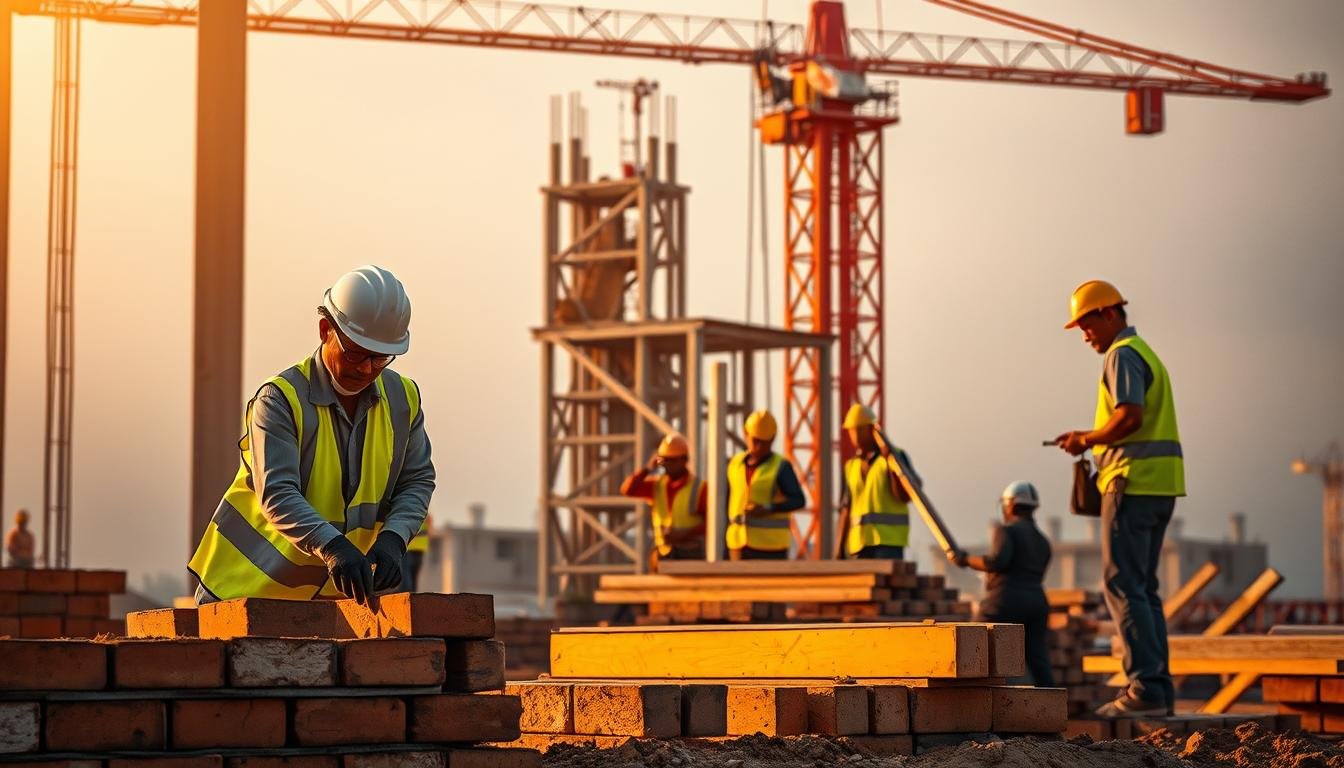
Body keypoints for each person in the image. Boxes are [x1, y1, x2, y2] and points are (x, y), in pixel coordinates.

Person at [189, 266, 436, 607]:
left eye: (380, 358)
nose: (367, 369)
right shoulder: (279, 400)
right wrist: (332, 546)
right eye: (355, 353)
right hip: (242, 592)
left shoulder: (403, 399)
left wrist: (394, 537)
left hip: (327, 605)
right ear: (325, 330)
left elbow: (417, 480)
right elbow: (278, 493)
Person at [1053, 279, 1184, 717]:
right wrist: (1088, 437)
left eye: (1086, 325)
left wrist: (1087, 439)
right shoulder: (1145, 353)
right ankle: (1157, 690)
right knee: (1143, 588)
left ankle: (1145, 690)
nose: (1084, 335)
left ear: (1109, 314)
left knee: (1123, 584)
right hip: (1158, 485)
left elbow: (1129, 417)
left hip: (1131, 483)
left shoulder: (1122, 354)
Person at [947, 482, 1054, 687]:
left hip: (1005, 600)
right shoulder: (1043, 540)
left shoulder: (1007, 531)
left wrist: (965, 559)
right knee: (1039, 661)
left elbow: (996, 562)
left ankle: (965, 697)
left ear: (1010, 505)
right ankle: (1054, 703)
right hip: (1037, 602)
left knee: (971, 643)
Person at [837, 404, 915, 560]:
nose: (855, 436)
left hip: (889, 543)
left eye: (860, 430)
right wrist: (839, 549)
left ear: (872, 429)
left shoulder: (895, 457)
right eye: (852, 431)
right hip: (859, 544)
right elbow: (846, 508)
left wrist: (892, 462)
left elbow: (904, 496)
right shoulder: (851, 466)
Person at [725, 410, 806, 560]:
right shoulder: (735, 464)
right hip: (737, 543)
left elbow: (798, 500)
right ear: (746, 434)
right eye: (755, 440)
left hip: (771, 547)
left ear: (772, 439)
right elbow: (728, 501)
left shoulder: (781, 467)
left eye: (765, 442)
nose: (759, 447)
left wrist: (768, 508)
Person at [621, 433, 708, 564]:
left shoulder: (700, 488)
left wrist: (684, 535)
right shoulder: (657, 486)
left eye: (671, 460)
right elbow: (628, 489)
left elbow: (711, 524)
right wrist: (648, 469)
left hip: (690, 555)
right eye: (663, 460)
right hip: (663, 554)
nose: (666, 464)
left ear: (684, 460)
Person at [402, 513, 432, 592]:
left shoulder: (405, 514)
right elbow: (430, 532)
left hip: (408, 548)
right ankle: (413, 594)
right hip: (419, 548)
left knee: (407, 574)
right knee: (414, 574)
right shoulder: (426, 515)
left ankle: (408, 593)